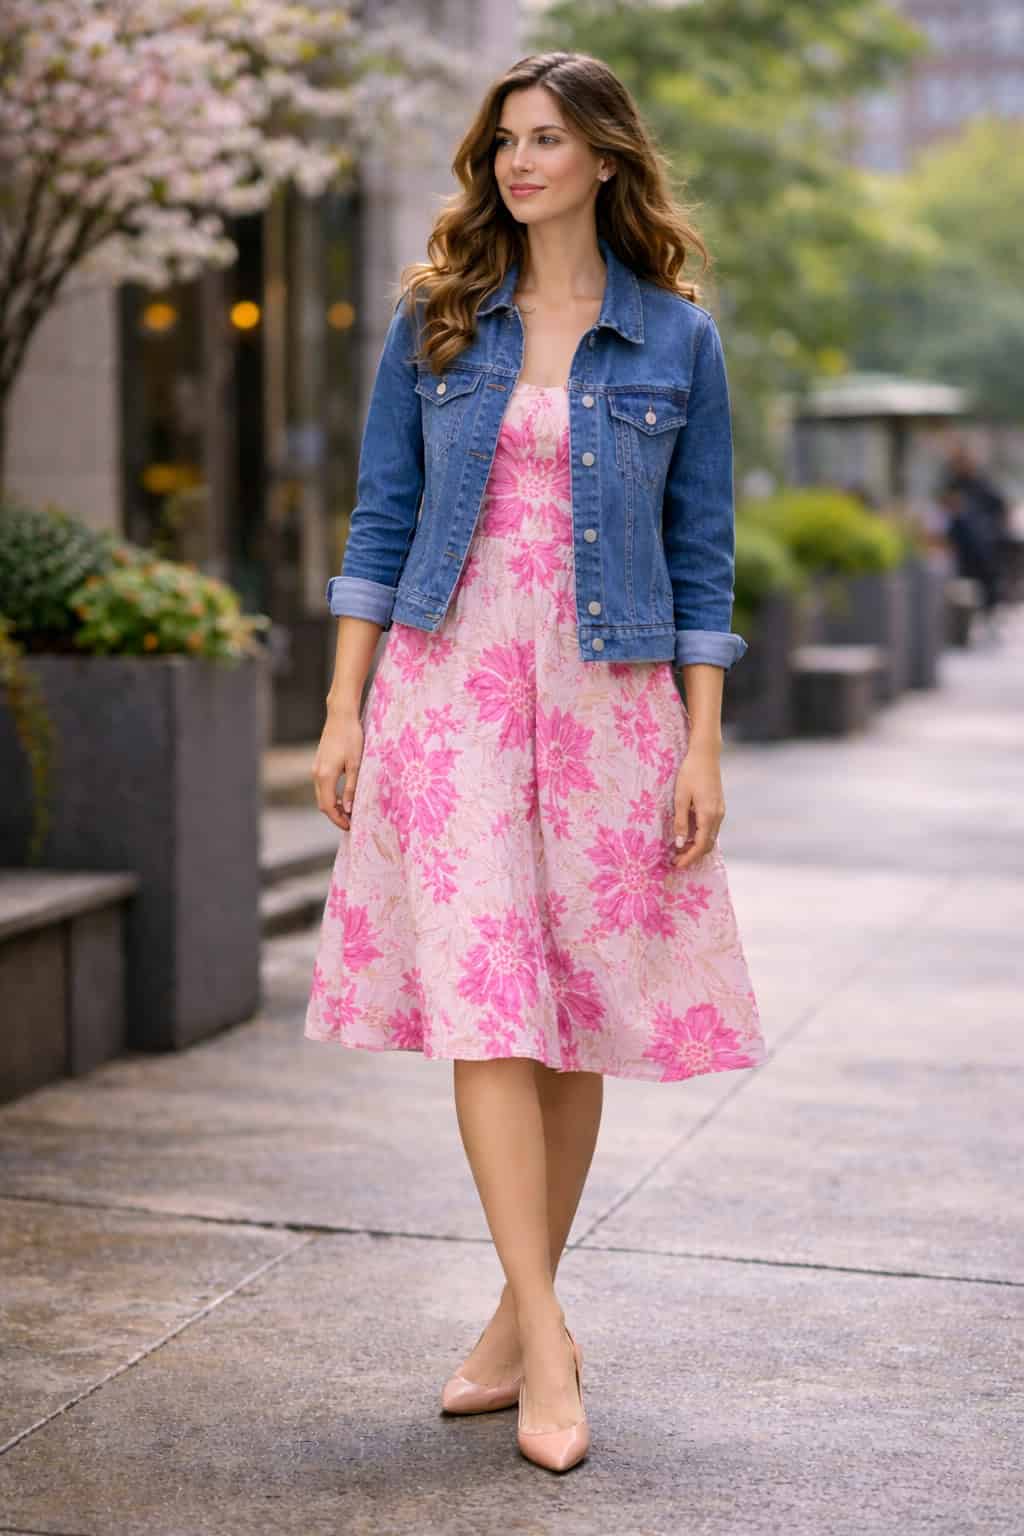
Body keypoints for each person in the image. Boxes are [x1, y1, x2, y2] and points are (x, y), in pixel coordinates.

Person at [305, 50, 768, 1473]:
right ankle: (555, 1341)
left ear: (607, 160)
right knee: (491, 1009)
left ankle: (517, 1310)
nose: (518, 163)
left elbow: (702, 560)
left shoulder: (677, 341)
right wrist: (345, 707)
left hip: (608, 702)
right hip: (451, 690)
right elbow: (381, 521)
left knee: (573, 1019)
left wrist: (701, 744)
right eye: (504, 139)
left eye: (549, 139)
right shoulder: (439, 319)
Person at [937, 439, 1010, 628]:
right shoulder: (952, 483)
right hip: (962, 544)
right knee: (964, 581)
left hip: (984, 543)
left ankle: (988, 613)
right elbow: (943, 509)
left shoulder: (982, 483)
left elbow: (1000, 507)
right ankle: (967, 618)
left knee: (986, 580)